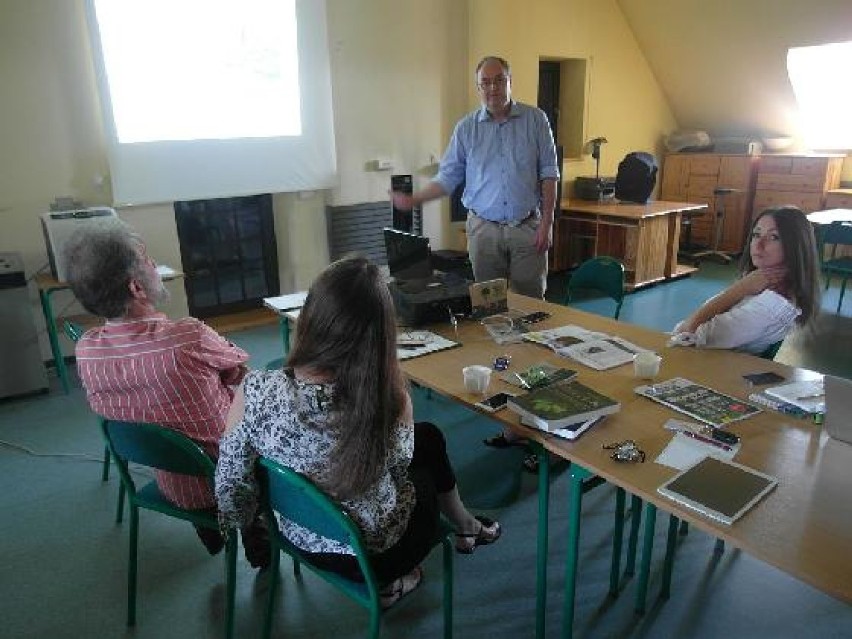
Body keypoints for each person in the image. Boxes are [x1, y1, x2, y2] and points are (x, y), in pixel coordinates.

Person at [215, 256, 501, 607]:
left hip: (294, 535)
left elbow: (230, 483)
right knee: (422, 461)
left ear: (311, 318)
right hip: (375, 557)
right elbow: (398, 471)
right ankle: (424, 557)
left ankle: (465, 523)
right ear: (381, 333)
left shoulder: (254, 389)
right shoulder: (389, 399)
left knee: (429, 436)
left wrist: (254, 526)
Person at [65, 220, 269, 568]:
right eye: (148, 260)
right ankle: (254, 524)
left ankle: (212, 527)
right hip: (232, 476)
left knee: (175, 419)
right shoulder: (187, 336)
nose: (155, 265)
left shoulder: (86, 349)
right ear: (137, 288)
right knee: (262, 392)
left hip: (173, 481)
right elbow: (241, 369)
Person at [391, 55, 559, 300]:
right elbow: (447, 178)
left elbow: (549, 174)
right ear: (478, 87)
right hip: (483, 230)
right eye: (486, 82)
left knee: (532, 302)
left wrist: (547, 223)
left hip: (526, 228)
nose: (493, 88)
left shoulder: (536, 120)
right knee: (489, 302)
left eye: (499, 80)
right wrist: (414, 199)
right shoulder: (466, 129)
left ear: (510, 81)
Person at [671, 205, 821, 354]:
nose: (758, 244)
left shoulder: (772, 306)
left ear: (794, 247)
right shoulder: (761, 283)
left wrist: (740, 288)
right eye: (756, 234)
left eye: (774, 237)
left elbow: (686, 333)